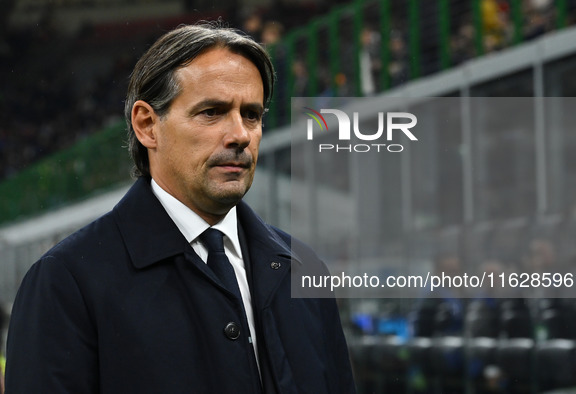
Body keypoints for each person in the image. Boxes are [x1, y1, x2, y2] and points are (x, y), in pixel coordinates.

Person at [5, 22, 356, 393]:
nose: (240, 134)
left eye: (251, 114)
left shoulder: (303, 268)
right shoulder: (66, 281)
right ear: (147, 125)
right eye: (212, 112)